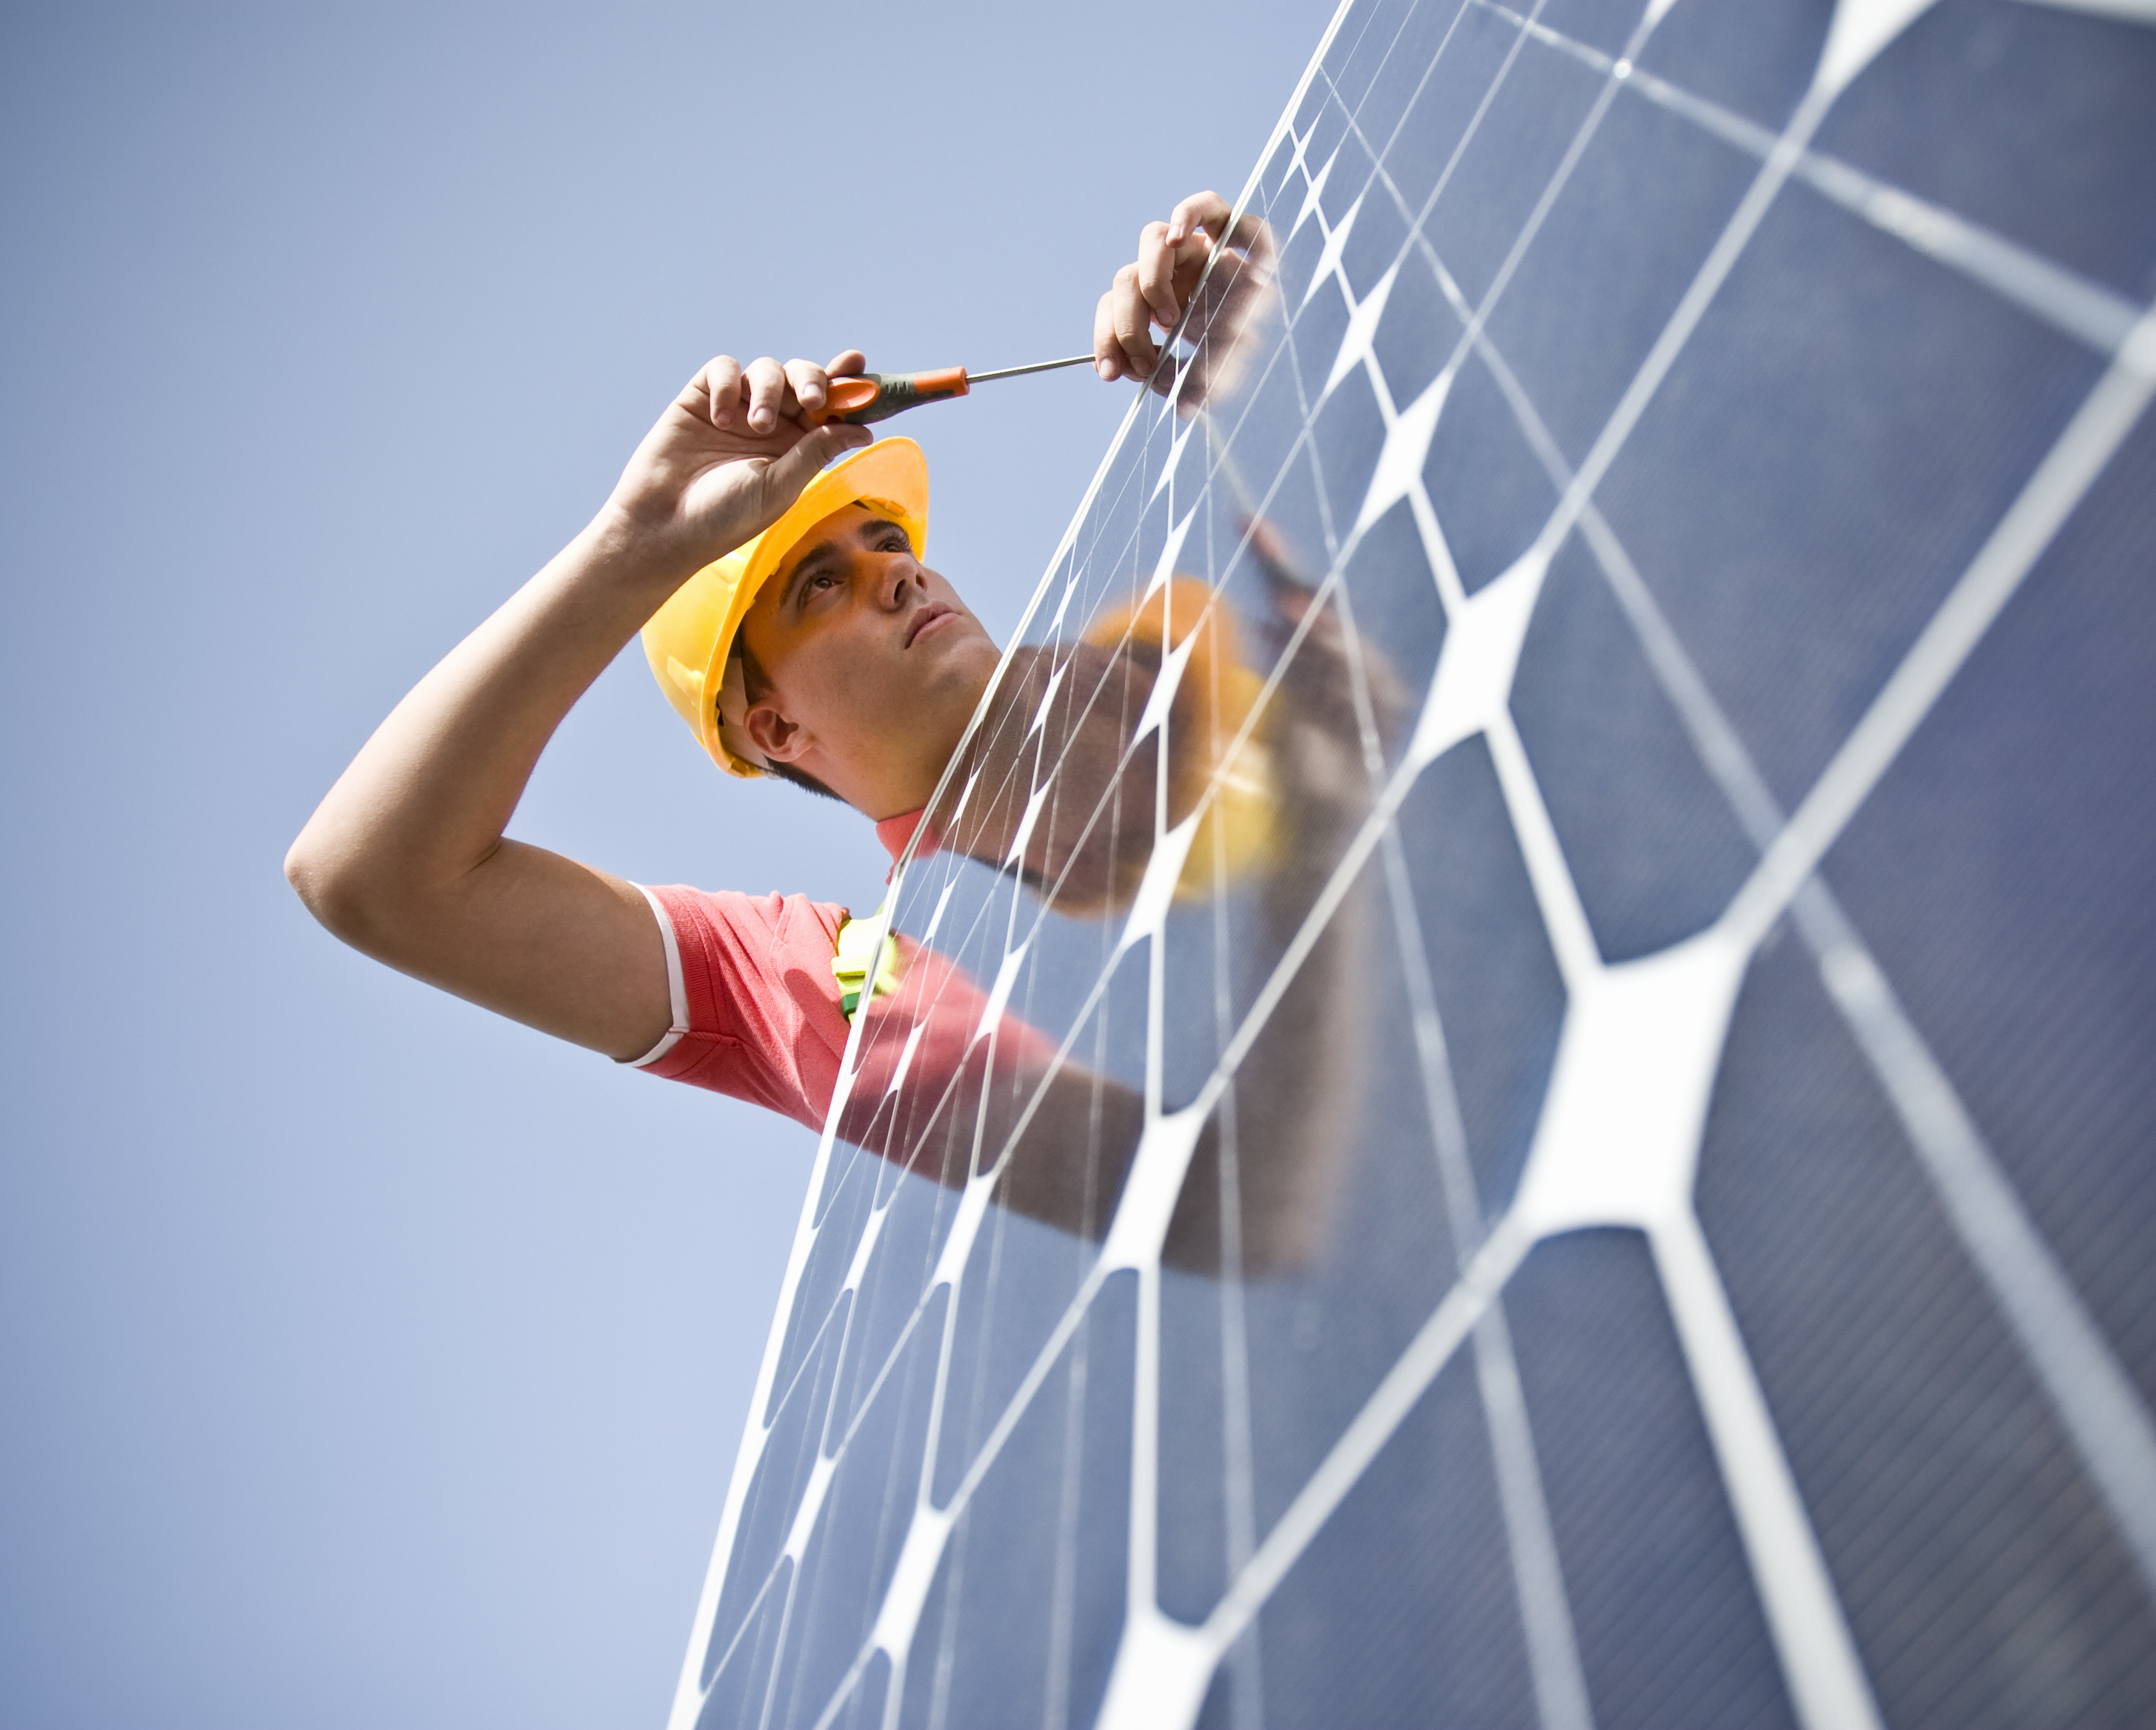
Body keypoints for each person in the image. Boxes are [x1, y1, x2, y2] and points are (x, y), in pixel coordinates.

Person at [286, 193, 1381, 1271]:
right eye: (824, 583)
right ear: (772, 725)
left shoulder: (1183, 630)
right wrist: (636, 543)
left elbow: (1439, 528)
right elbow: (374, 879)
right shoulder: (818, 979)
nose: (896, 571)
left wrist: (1261, 360)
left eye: (887, 540)